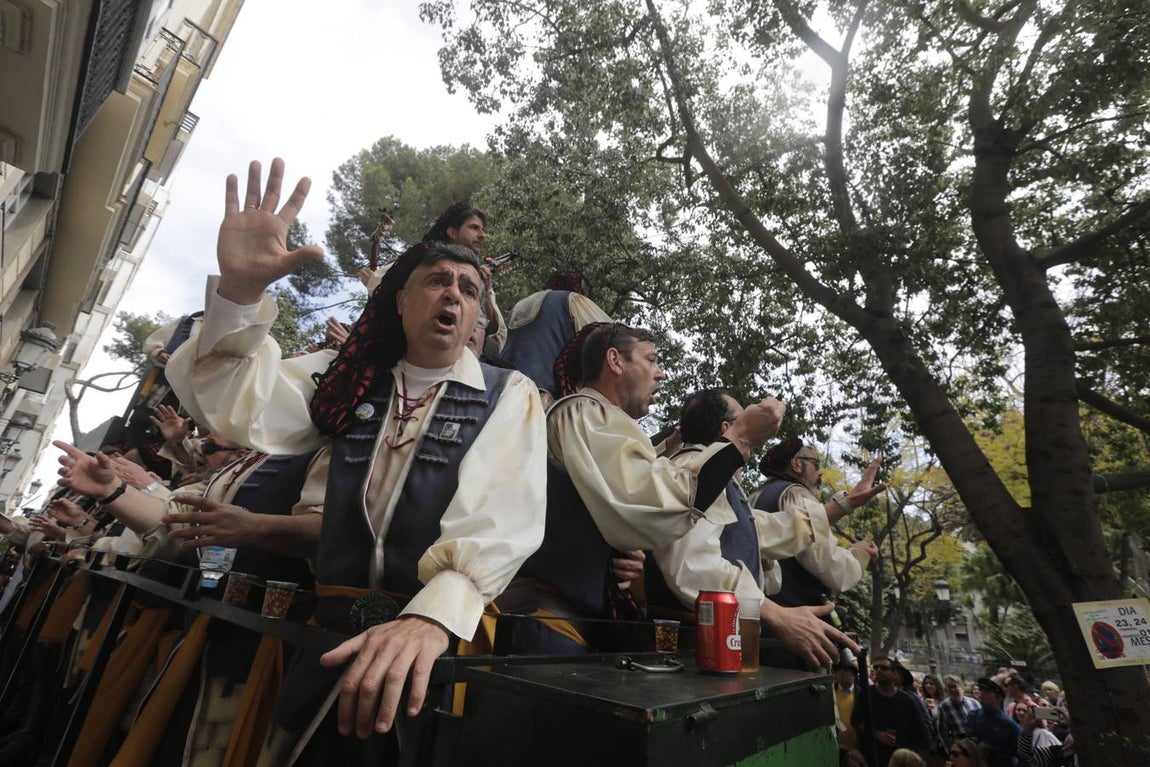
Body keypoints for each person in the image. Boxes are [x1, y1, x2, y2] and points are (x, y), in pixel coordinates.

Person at [164, 158, 547, 763]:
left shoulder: (509, 393)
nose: (453, 292)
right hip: (324, 643)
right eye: (436, 280)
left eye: (469, 289)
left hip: (432, 654)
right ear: (400, 300)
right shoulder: (347, 380)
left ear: (478, 316)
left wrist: (432, 618)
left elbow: (503, 516)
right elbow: (236, 403)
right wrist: (239, 294)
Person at [512, 325, 786, 653]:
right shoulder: (581, 411)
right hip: (554, 629)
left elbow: (617, 517)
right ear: (615, 360)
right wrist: (740, 436)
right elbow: (648, 503)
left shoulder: (601, 421)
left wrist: (619, 560)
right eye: (652, 359)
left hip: (578, 629)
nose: (661, 373)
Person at [644, 388, 858, 667]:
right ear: (727, 428)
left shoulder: (717, 477)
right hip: (691, 652)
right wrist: (777, 614)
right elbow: (693, 566)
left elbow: (764, 529)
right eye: (744, 414)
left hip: (717, 647)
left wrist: (844, 505)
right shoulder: (693, 470)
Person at [752, 438, 883, 612]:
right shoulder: (796, 493)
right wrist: (859, 554)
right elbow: (831, 567)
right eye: (815, 464)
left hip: (761, 611)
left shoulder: (755, 496)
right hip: (797, 617)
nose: (821, 472)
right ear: (797, 464)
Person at [501, 271, 612, 404]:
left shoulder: (520, 305)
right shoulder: (572, 299)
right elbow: (610, 337)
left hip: (502, 392)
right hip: (543, 400)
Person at [851, 656, 931, 767]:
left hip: (900, 759)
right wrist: (875, 734)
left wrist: (917, 758)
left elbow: (923, 732)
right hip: (873, 757)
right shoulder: (867, 694)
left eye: (884, 668)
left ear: (894, 674)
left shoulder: (907, 700)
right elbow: (856, 720)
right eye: (876, 667)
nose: (878, 670)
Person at [969, 676, 1020, 767]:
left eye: (988, 691)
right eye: (981, 689)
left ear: (999, 698)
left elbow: (1021, 754)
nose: (982, 693)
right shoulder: (973, 715)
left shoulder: (1009, 724)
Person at [937, 675, 981, 752]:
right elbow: (943, 732)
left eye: (955, 686)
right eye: (949, 687)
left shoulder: (974, 703)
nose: (953, 690)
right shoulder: (944, 707)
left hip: (977, 744)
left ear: (962, 687)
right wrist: (949, 750)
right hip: (960, 746)